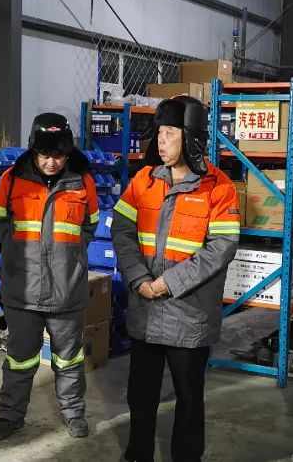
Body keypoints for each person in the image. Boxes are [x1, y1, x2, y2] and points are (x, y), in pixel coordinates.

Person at [111, 95, 240, 462]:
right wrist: (139, 279)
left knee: (188, 398)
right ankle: (138, 454)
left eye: (170, 132)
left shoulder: (218, 187)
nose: (161, 141)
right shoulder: (144, 179)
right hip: (146, 309)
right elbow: (122, 230)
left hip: (188, 314)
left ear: (192, 137)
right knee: (141, 394)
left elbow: (221, 247)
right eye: (159, 133)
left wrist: (169, 282)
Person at [0, 113, 100, 441]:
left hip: (67, 291)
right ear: (34, 151)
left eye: (59, 155)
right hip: (22, 291)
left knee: (69, 360)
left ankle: (74, 414)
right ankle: (10, 417)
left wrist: (71, 258)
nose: (52, 162)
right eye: (45, 155)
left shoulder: (82, 181)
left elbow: (90, 224)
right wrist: (14, 250)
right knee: (19, 360)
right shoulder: (12, 179)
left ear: (68, 153)